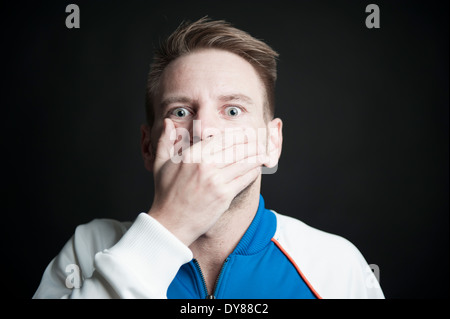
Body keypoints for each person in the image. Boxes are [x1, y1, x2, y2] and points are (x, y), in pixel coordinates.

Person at [33, 17, 384, 299]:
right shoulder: (88, 249)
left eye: (232, 110)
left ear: (272, 143)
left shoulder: (337, 266)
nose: (204, 131)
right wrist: (168, 227)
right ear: (148, 146)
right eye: (181, 111)